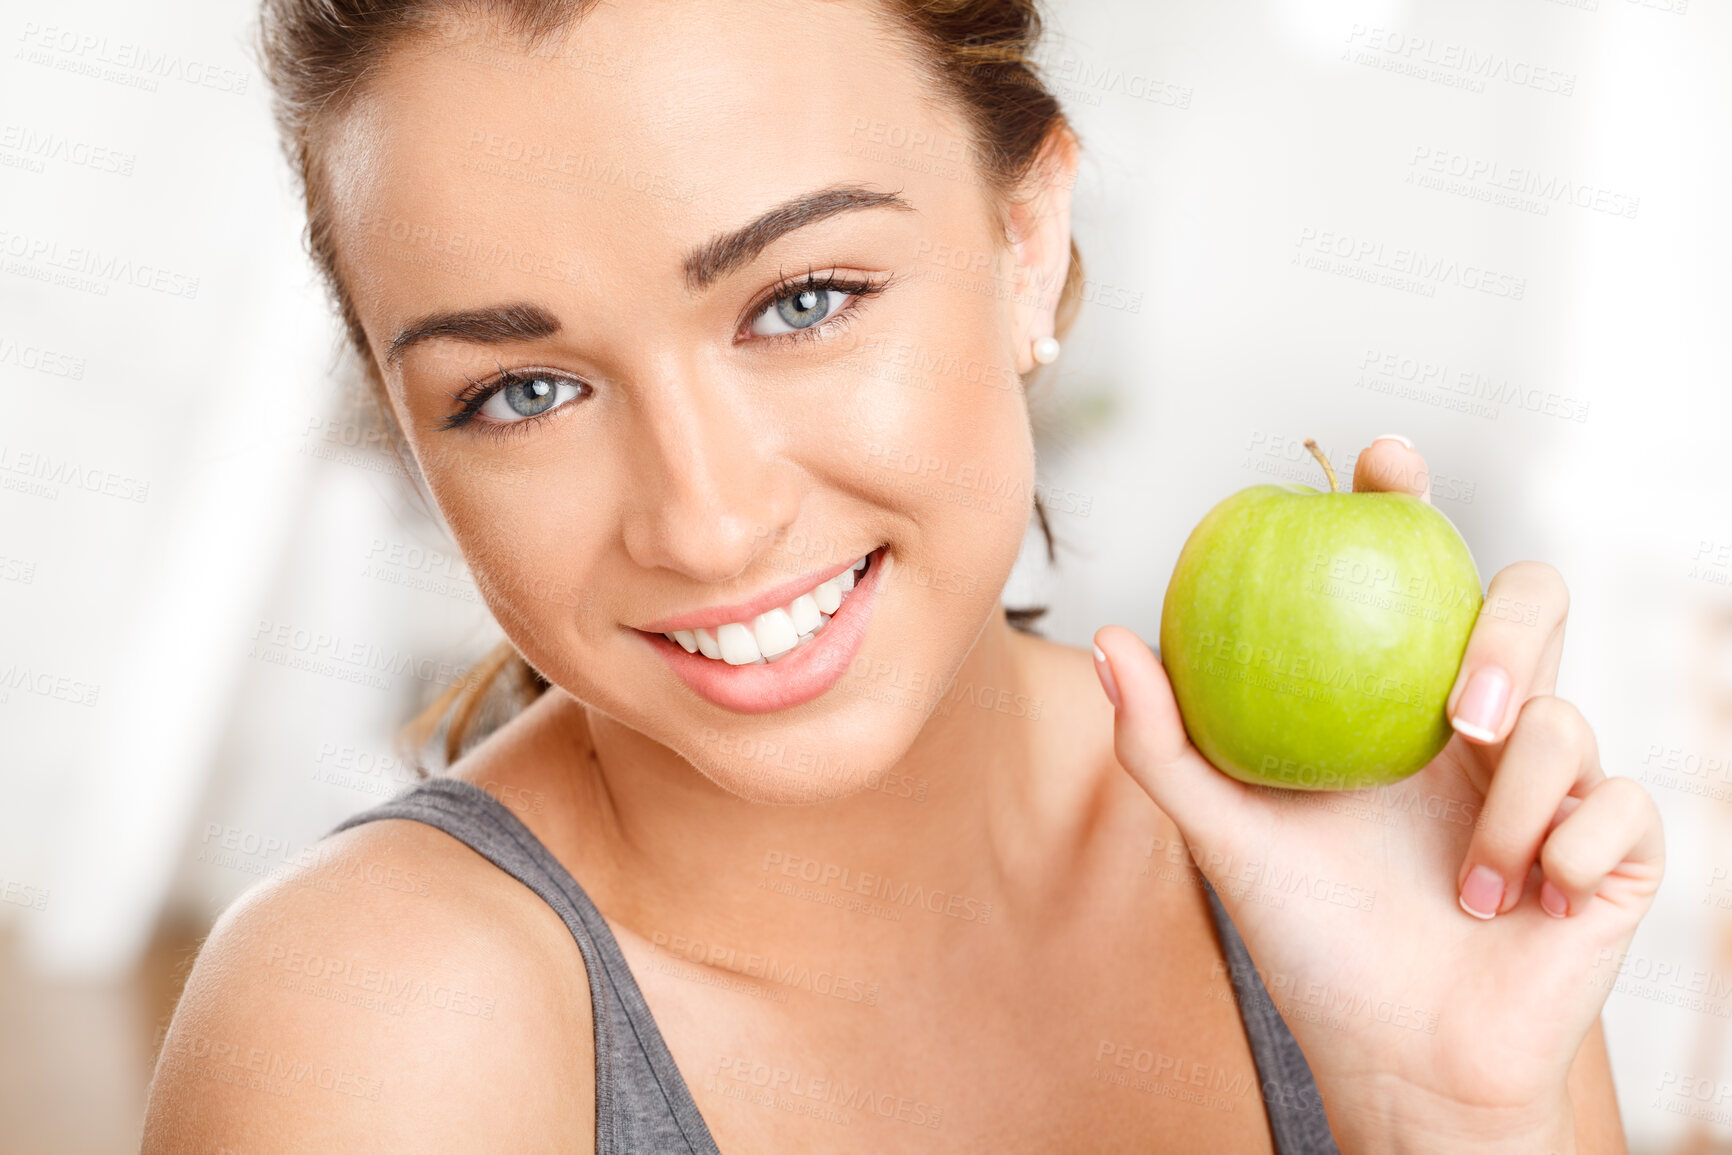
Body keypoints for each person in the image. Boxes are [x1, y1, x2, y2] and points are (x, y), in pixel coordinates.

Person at [143, 1, 1663, 1150]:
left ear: (1025, 239)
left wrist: (1457, 1114)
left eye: (803, 299)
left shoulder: (1381, 887)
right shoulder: (376, 1033)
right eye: (522, 392)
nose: (706, 520)